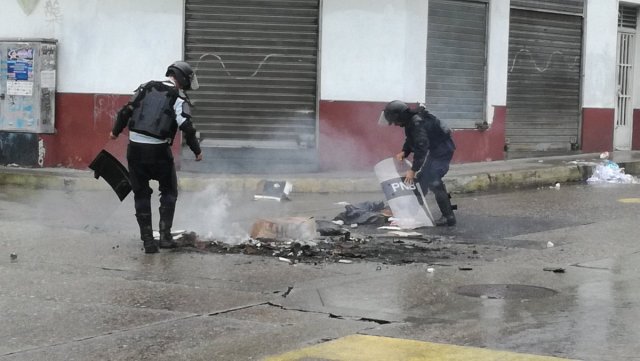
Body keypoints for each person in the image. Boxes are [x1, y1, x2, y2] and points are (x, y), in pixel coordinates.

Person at [110, 61, 203, 253]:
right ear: (183, 79)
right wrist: (197, 150)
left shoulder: (145, 87)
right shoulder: (179, 98)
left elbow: (125, 112)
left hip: (135, 150)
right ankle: (165, 238)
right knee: (169, 192)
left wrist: (115, 132)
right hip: (159, 152)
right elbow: (187, 127)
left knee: (141, 193)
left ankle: (148, 242)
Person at [379, 100, 457, 226]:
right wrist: (405, 151)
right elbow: (411, 139)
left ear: (399, 116)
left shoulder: (417, 123)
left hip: (443, 150)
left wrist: (413, 170)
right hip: (436, 150)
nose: (396, 124)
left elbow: (421, 147)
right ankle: (410, 212)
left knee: (434, 181)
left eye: (395, 121)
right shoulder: (411, 121)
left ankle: (448, 217)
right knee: (422, 180)